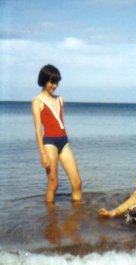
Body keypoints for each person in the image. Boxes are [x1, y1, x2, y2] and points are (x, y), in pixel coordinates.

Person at [32, 64, 82, 203]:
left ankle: (76, 218)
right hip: (49, 144)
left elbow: (60, 122)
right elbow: (38, 130)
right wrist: (42, 154)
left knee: (77, 182)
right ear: (44, 80)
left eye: (56, 82)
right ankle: (50, 221)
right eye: (51, 82)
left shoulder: (60, 99)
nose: (54, 85)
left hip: (64, 142)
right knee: (54, 184)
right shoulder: (37, 102)